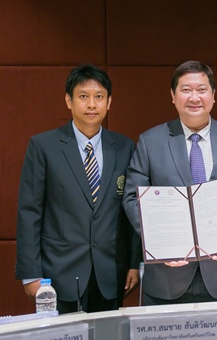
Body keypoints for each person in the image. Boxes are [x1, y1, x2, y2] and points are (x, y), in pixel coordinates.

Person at [122, 60, 217, 305]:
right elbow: (131, 197)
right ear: (173, 96)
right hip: (167, 276)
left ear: (213, 95)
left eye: (202, 90)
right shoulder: (150, 141)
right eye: (186, 90)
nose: (194, 97)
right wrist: (161, 242)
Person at [16, 64, 140, 314]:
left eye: (99, 97)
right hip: (57, 275)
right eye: (83, 96)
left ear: (109, 102)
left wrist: (134, 263)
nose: (91, 104)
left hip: (110, 274)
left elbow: (132, 209)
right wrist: (30, 275)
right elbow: (29, 212)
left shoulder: (125, 147)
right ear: (68, 101)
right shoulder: (44, 146)